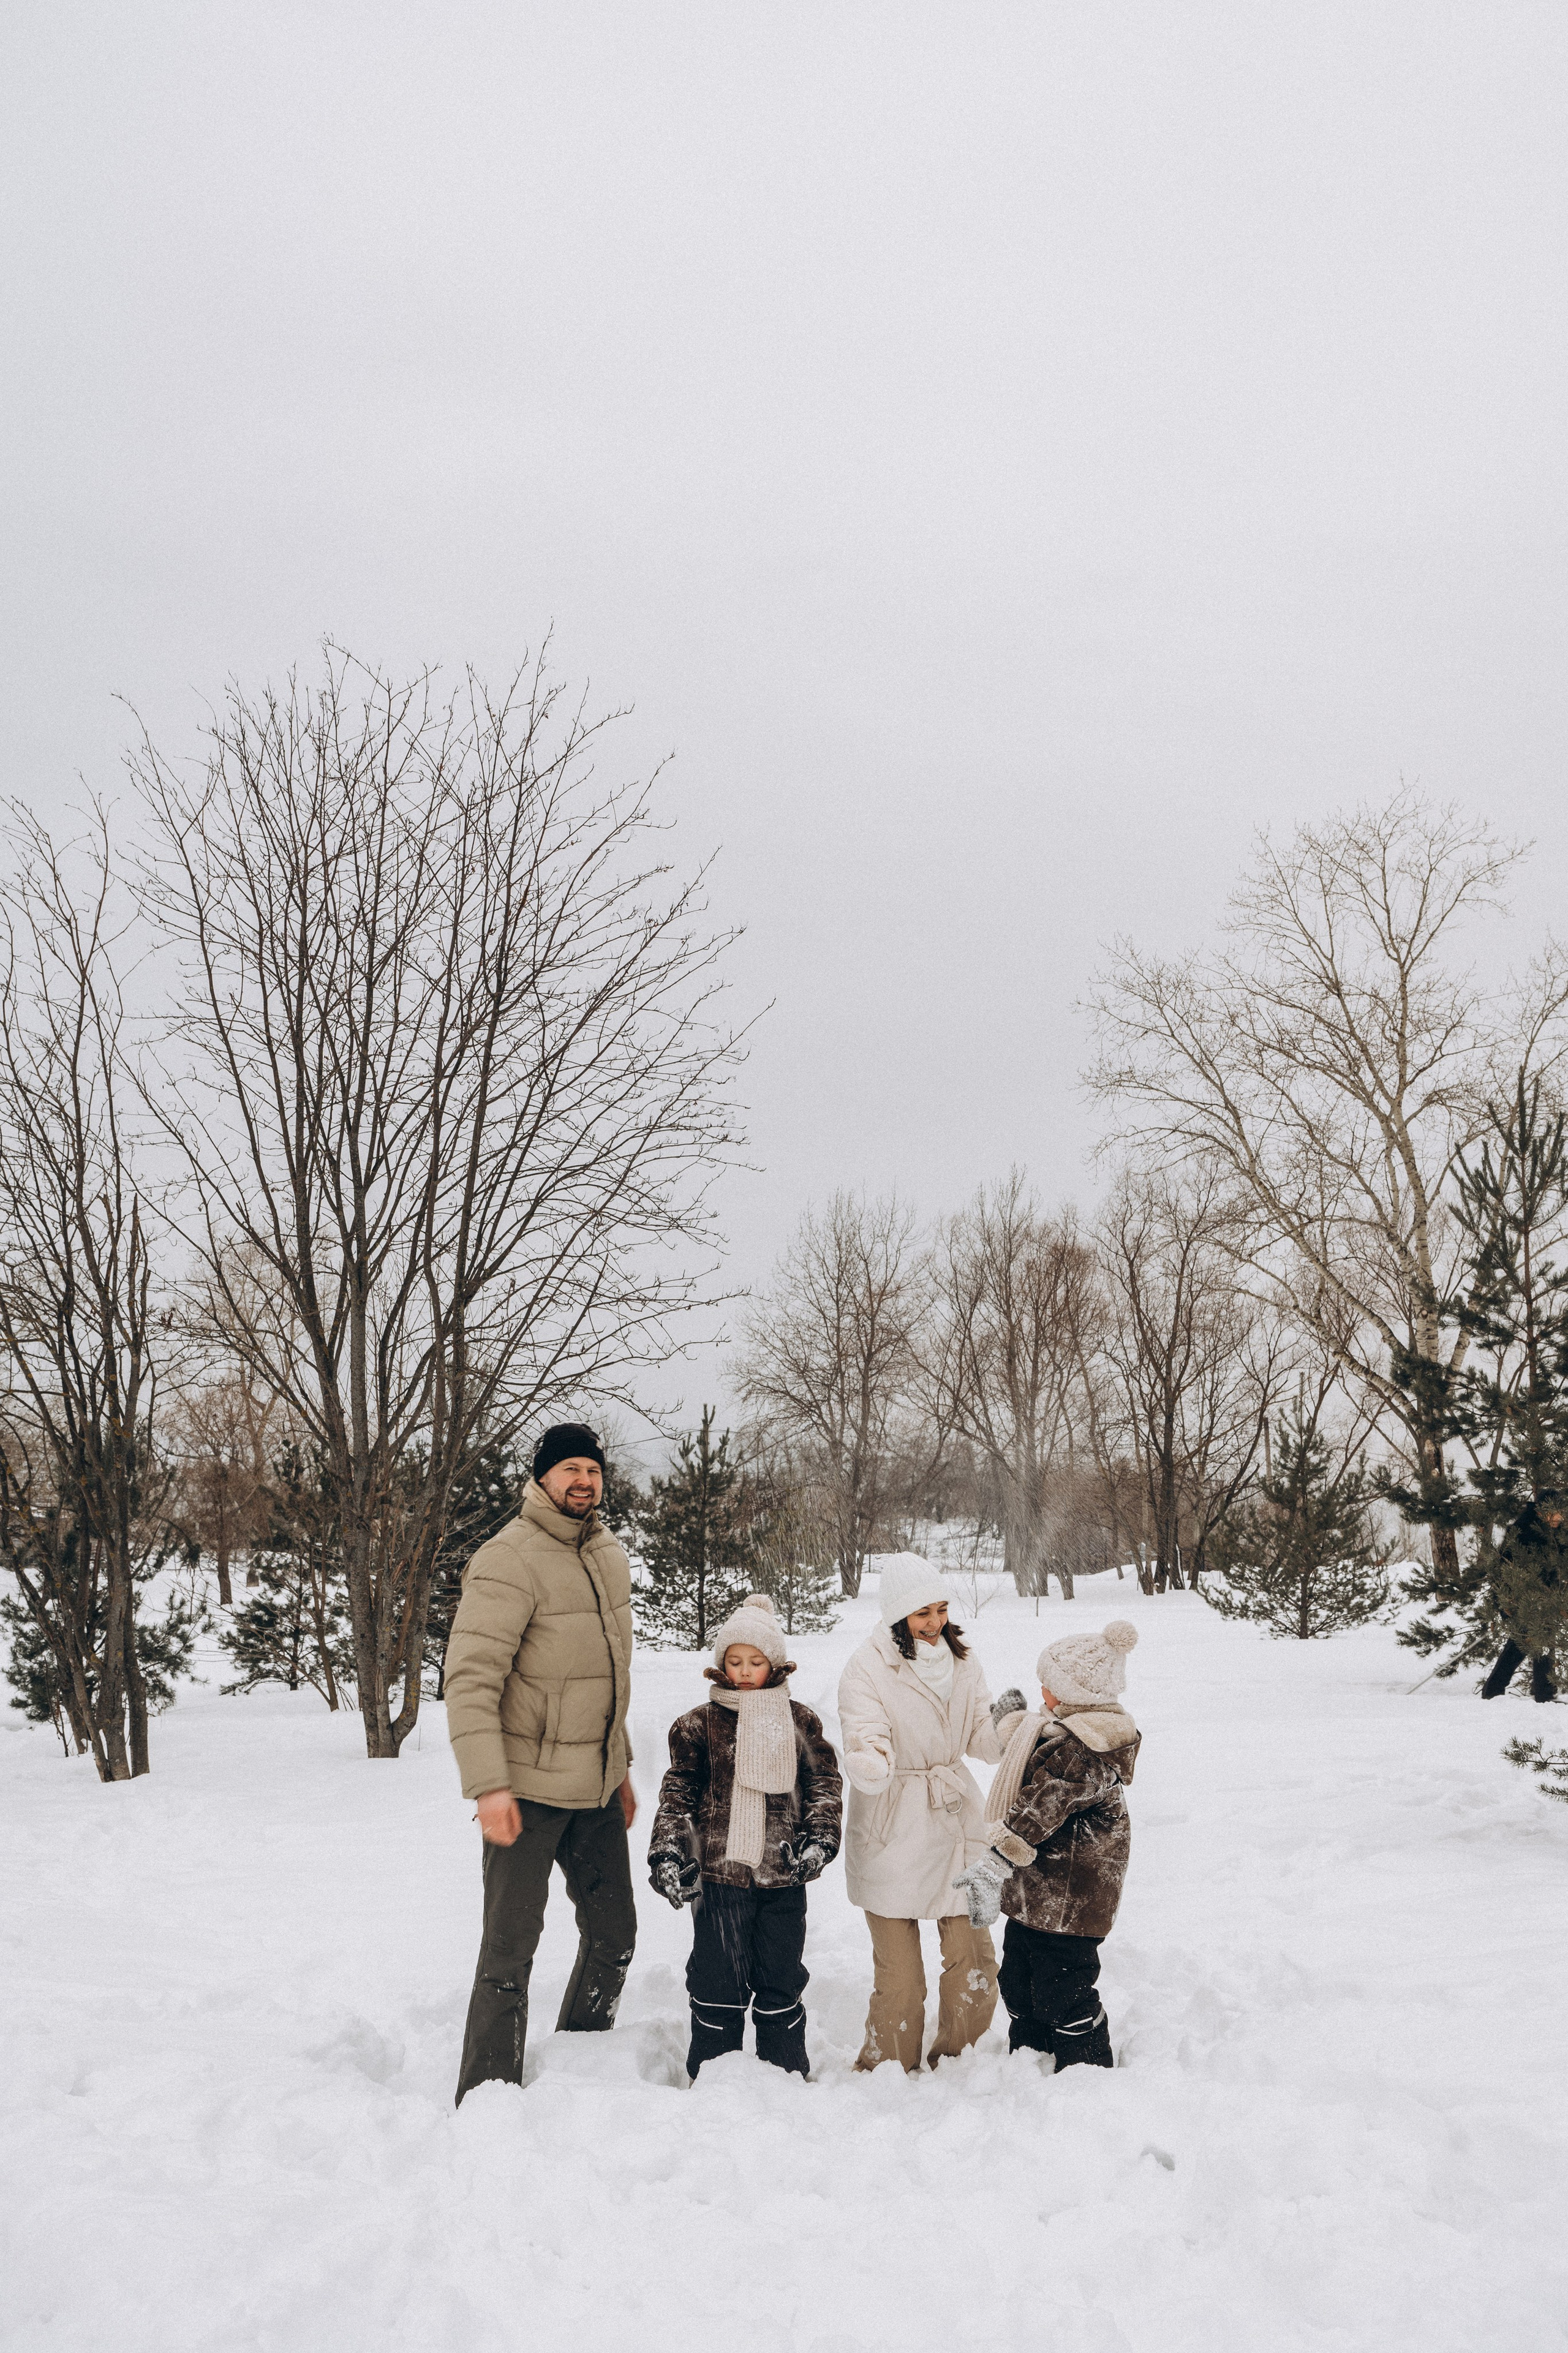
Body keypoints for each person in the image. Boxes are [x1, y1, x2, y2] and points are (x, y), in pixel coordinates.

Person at [444, 1422, 638, 2105]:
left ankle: (581, 2063)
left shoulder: (606, 1551)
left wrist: (622, 1769)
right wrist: (489, 1785)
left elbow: (607, 1674)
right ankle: (488, 2095)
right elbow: (470, 1681)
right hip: (524, 1791)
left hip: (595, 1787)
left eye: (593, 1469)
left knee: (615, 1933)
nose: (583, 1481)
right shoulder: (509, 1559)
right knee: (509, 1951)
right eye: (570, 1470)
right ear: (542, 1477)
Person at [648, 1592, 842, 2080]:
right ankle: (713, 2076)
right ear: (721, 1664)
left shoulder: (800, 1720)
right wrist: (669, 1852)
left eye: (756, 1661)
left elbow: (823, 1783)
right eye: (734, 1661)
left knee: (780, 1976)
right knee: (717, 1979)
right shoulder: (698, 1724)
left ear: (774, 1664)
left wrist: (819, 1838)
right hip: (719, 1876)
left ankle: (785, 2072)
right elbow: (678, 1794)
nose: (744, 1670)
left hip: (783, 1873)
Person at [835, 1555, 1017, 2071]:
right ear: (898, 1615)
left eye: (940, 1609)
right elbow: (865, 1729)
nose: (935, 1622)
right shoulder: (868, 1665)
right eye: (922, 1613)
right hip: (895, 1818)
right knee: (901, 1977)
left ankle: (959, 2059)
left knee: (976, 1959)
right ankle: (886, 2067)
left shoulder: (964, 1661)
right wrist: (869, 1760)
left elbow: (979, 1733)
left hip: (956, 1816)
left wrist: (1008, 1725)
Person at [953, 1620, 1140, 2071]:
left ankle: (1087, 2066)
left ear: (1078, 1696)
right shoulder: (1064, 1732)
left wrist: (996, 1861)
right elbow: (1035, 1737)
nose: (1042, 1689)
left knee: (1063, 1988)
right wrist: (1007, 1724)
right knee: (1018, 1979)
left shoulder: (1087, 1753)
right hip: (1038, 1896)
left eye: (1051, 1684)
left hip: (1071, 1904)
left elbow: (1042, 1805)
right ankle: (1030, 2052)